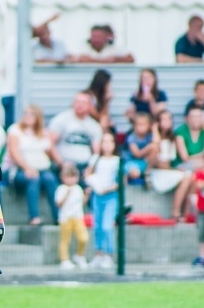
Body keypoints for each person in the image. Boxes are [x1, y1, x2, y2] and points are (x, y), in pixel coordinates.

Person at [6, 104, 60, 224]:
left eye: (31, 114)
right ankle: (34, 217)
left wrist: (63, 164)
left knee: (50, 179)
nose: (28, 116)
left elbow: (50, 152)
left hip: (43, 168)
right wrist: (27, 168)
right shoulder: (15, 130)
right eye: (26, 113)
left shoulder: (43, 133)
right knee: (33, 179)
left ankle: (58, 216)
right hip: (20, 169)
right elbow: (14, 152)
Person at [172, 107, 204, 220]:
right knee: (188, 177)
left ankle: (188, 213)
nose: (195, 119)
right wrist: (200, 156)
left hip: (199, 165)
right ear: (187, 118)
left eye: (198, 116)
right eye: (193, 116)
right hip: (182, 165)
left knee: (197, 179)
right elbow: (184, 157)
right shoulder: (180, 132)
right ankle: (176, 212)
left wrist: (199, 157)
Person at [85, 131, 120, 269]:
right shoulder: (95, 159)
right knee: (98, 225)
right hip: (97, 195)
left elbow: (121, 181)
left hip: (110, 196)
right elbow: (88, 174)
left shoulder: (117, 161)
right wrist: (94, 185)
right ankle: (98, 254)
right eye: (104, 141)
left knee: (107, 226)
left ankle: (109, 255)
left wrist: (108, 188)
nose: (107, 144)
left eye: (110, 141)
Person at [48, 91, 102, 173]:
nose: (79, 105)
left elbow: (96, 152)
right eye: (77, 101)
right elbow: (50, 143)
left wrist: (91, 168)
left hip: (84, 166)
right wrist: (61, 164)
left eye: (83, 102)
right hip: (63, 166)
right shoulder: (61, 119)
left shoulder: (94, 126)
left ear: (90, 105)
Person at [55, 162, 88, 270]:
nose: (71, 180)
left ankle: (80, 255)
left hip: (77, 217)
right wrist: (67, 194)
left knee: (83, 238)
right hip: (66, 218)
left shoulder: (78, 188)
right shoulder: (61, 189)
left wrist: (87, 195)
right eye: (68, 177)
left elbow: (81, 202)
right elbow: (58, 203)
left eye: (73, 177)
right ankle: (64, 259)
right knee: (65, 240)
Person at [123, 113, 157, 181]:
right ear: (134, 126)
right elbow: (137, 154)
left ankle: (148, 172)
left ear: (149, 126)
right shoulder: (132, 137)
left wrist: (154, 129)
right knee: (135, 173)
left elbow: (157, 142)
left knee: (155, 146)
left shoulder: (149, 136)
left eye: (143, 124)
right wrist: (149, 147)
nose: (141, 127)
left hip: (145, 162)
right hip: (131, 162)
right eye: (139, 124)